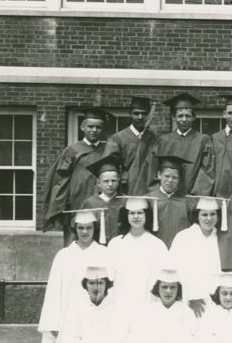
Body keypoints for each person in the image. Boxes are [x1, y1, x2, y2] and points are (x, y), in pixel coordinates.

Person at [37, 209, 109, 343]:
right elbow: (54, 291)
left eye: (89, 227)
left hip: (95, 314)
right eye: (80, 227)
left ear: (95, 228)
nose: (84, 231)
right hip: (68, 314)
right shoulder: (64, 256)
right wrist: (53, 322)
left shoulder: (104, 254)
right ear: (75, 229)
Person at [42, 107, 111, 244]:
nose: (94, 130)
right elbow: (60, 181)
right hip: (77, 204)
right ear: (82, 127)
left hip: (101, 204)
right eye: (90, 126)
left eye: (98, 127)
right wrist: (60, 206)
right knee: (75, 243)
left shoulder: (107, 151)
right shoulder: (72, 150)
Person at [143, 92, 215, 197]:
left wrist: (196, 197)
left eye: (188, 116)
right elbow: (152, 169)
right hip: (167, 197)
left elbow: (207, 171)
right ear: (173, 117)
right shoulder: (163, 141)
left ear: (194, 117)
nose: (184, 119)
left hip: (191, 197)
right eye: (180, 116)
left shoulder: (203, 140)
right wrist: (160, 194)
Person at [169, 196, 229, 318]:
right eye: (204, 215)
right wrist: (192, 296)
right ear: (197, 216)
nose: (209, 219)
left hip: (216, 302)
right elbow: (175, 271)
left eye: (213, 214)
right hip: (189, 299)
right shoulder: (183, 237)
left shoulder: (222, 238)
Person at [106, 197, 169, 310]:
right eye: (132, 213)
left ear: (146, 215)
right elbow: (109, 277)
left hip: (147, 304)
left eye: (140, 213)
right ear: (126, 215)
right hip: (120, 303)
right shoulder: (115, 244)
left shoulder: (157, 245)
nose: (136, 217)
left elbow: (161, 279)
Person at [105, 96, 155, 196]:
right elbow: (109, 168)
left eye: (144, 114)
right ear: (130, 114)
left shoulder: (155, 139)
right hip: (126, 190)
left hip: (150, 190)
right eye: (136, 113)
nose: (140, 117)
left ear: (149, 115)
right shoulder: (117, 139)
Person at [146, 153, 192, 248]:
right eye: (167, 176)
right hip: (155, 251)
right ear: (159, 175)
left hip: (180, 251)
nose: (170, 180)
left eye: (174, 177)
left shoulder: (187, 202)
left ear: (179, 179)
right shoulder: (149, 200)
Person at [81, 153, 126, 243]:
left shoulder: (125, 201)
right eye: (106, 181)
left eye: (113, 180)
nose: (110, 184)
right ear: (98, 182)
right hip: (97, 247)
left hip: (120, 247)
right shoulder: (90, 203)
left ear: (119, 180)